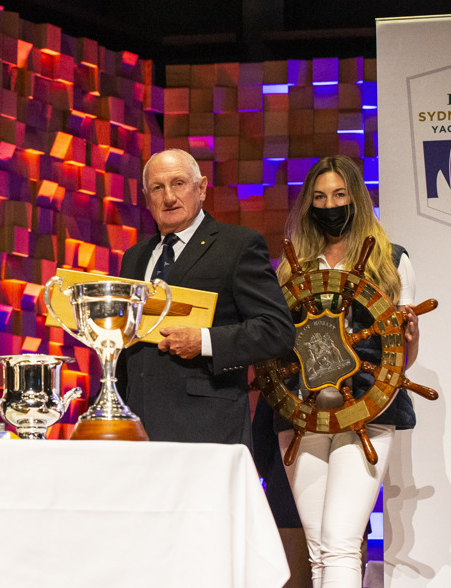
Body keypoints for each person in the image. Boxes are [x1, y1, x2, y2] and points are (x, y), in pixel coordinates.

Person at [275, 155, 419, 588]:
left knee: (339, 541)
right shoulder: (292, 264)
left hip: (368, 412)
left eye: (339, 195)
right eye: (319, 197)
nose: (330, 205)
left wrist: (409, 333)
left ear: (356, 198)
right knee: (320, 548)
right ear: (308, 205)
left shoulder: (392, 260)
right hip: (302, 413)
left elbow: (404, 360)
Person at [117, 148, 295, 445]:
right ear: (147, 199)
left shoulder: (238, 246)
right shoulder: (134, 257)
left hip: (207, 427)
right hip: (137, 429)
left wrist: (205, 341)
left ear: (201, 189)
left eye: (178, 184)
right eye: (158, 188)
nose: (169, 197)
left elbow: (277, 330)